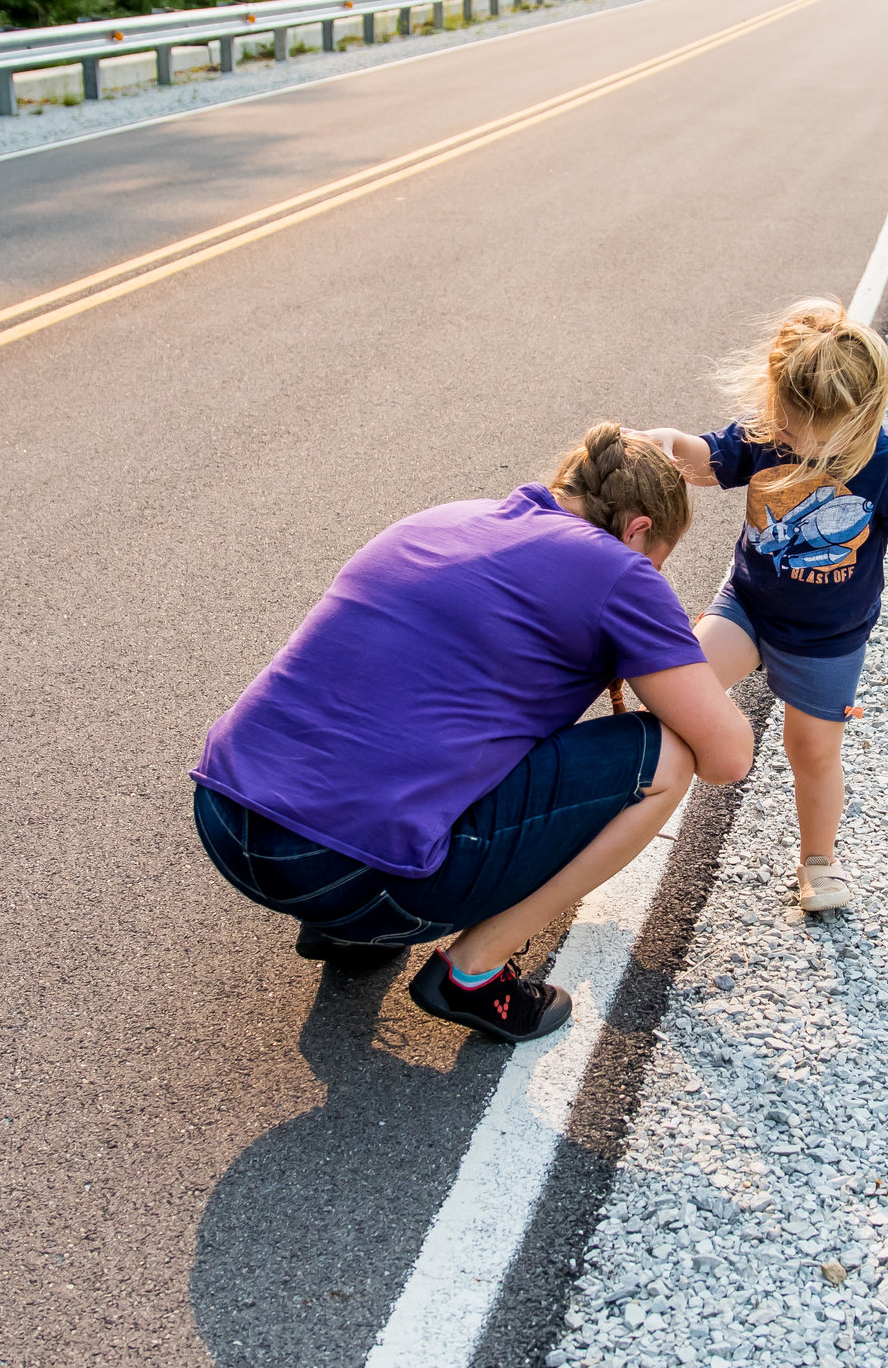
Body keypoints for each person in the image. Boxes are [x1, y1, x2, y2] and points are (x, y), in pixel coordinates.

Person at [189, 424, 752, 1044]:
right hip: (339, 869)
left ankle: (345, 928)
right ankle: (473, 973)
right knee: (666, 756)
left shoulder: (449, 517)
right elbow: (726, 758)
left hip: (226, 815)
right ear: (637, 529)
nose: (651, 572)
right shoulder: (619, 571)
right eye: (657, 559)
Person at [635, 299, 888, 915]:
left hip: (829, 638)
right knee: (681, 681)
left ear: (858, 419)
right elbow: (705, 461)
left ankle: (819, 862)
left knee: (813, 751)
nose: (787, 435)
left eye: (801, 428)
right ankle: (623, 784)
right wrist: (670, 443)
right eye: (782, 418)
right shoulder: (767, 433)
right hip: (749, 605)